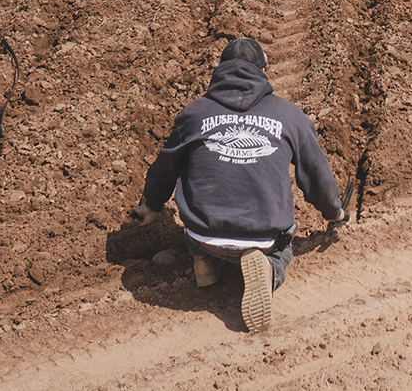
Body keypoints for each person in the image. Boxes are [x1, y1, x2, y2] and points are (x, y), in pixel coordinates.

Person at [132, 37, 346, 332]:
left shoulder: (194, 114)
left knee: (198, 210)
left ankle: (204, 261)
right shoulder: (289, 115)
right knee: (285, 246)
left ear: (220, 70)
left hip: (204, 233)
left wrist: (151, 205)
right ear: (261, 70)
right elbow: (316, 176)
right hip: (263, 238)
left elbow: (165, 167)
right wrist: (335, 211)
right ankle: (269, 270)